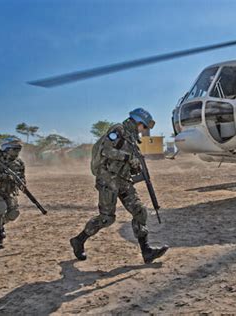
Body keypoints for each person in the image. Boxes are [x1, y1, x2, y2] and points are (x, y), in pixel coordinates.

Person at [70, 108, 169, 264]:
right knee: (107, 218)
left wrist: (135, 166)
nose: (145, 130)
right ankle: (78, 240)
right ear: (137, 122)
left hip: (123, 181)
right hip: (108, 180)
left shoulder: (132, 140)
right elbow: (106, 151)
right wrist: (128, 158)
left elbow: (129, 163)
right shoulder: (118, 130)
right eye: (144, 126)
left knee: (140, 211)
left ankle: (147, 251)